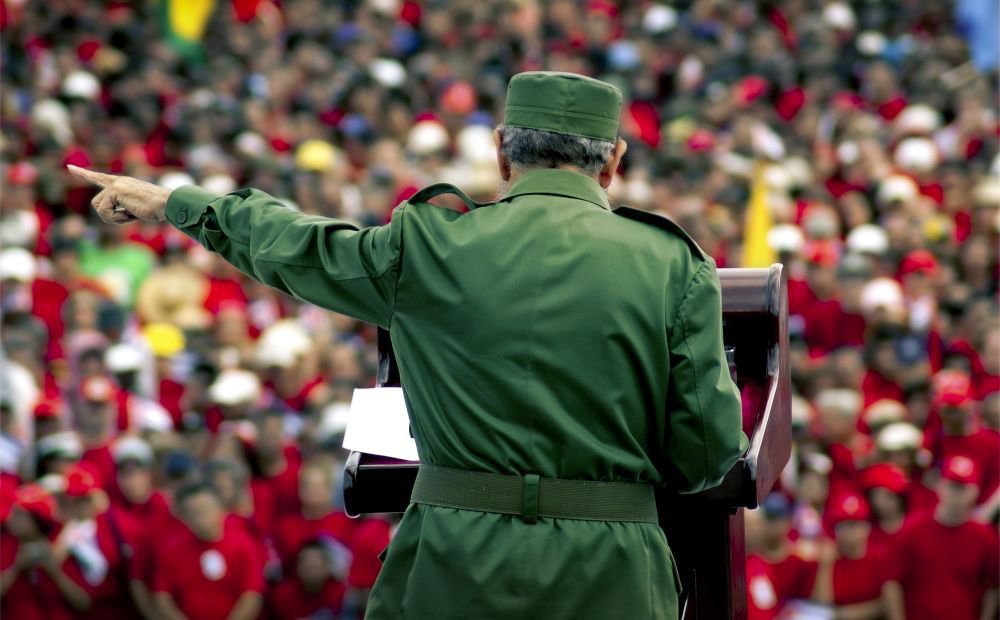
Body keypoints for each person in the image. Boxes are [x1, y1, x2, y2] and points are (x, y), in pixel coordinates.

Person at [70, 70, 747, 619]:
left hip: (455, 563)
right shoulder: (671, 264)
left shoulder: (429, 243)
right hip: (614, 576)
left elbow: (297, 246)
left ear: (502, 150)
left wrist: (176, 204)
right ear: (614, 163)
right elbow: (708, 452)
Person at [883, 455, 999, 620]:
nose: (956, 494)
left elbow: (993, 586)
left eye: (963, 487)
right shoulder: (912, 529)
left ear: (975, 492)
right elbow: (892, 582)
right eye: (952, 486)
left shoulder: (985, 537)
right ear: (940, 486)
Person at [152, 482, 264, 620]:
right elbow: (163, 596)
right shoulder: (171, 549)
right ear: (183, 517)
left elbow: (252, 593)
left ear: (220, 509)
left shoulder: (243, 545)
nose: (199, 517)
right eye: (192, 512)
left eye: (204, 509)